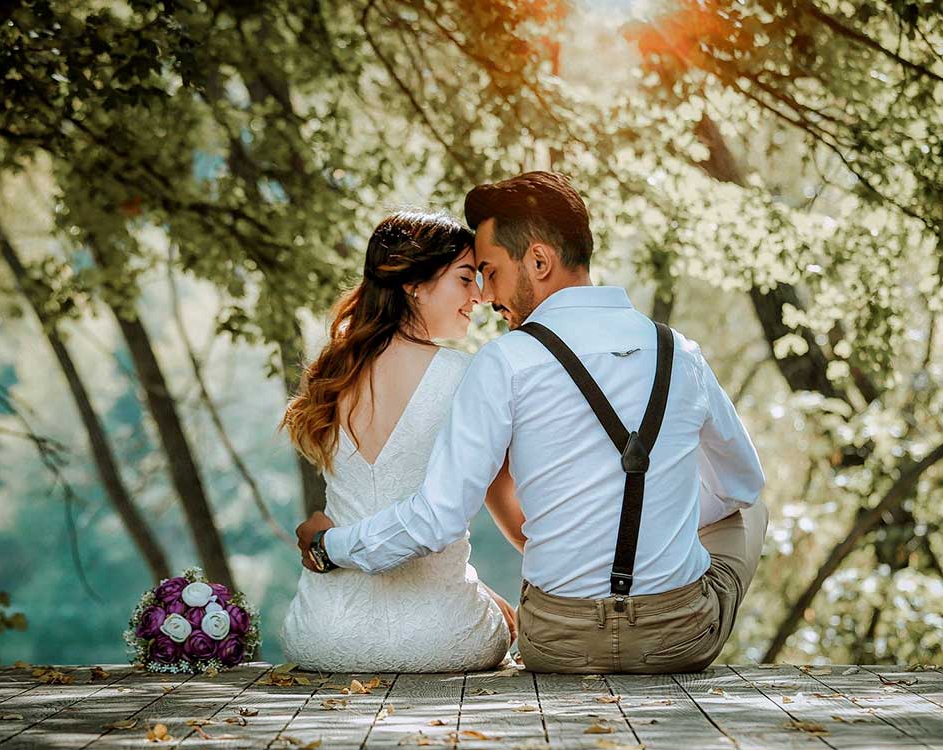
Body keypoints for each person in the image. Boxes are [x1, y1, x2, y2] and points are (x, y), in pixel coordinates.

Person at [296, 171, 768, 673]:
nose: (485, 294)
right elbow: (741, 484)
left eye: (490, 271)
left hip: (556, 642)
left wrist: (331, 545)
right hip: (678, 639)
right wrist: (659, 522)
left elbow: (439, 517)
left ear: (539, 261)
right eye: (472, 276)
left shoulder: (503, 362)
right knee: (749, 507)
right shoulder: (681, 353)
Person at [279, 210, 514, 672]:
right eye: (466, 279)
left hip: (323, 635)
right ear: (414, 284)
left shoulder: (332, 373)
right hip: (443, 639)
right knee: (508, 622)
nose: (480, 296)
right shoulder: (465, 375)